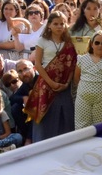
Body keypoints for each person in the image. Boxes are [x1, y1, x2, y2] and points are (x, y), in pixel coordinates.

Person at [24, 11, 76, 142]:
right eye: (56, 24)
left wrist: (66, 83)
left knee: (65, 115)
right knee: (46, 115)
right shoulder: (42, 41)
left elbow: (72, 64)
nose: (59, 26)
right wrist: (51, 83)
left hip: (64, 85)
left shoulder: (69, 42)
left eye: (62, 24)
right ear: (49, 26)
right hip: (46, 84)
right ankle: (41, 143)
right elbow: (38, 64)